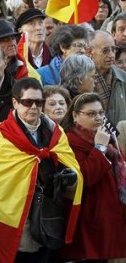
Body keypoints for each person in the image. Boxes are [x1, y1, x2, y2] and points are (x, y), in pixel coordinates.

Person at [0, 78, 83, 263]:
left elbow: (69, 163)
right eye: (27, 102)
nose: (34, 107)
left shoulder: (56, 132)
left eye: (39, 102)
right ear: (15, 102)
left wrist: (69, 176)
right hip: (11, 215)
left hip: (46, 214)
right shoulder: (0, 133)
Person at [59, 92, 126, 260]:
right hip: (87, 219)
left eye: (101, 113)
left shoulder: (106, 137)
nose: (98, 118)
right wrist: (99, 148)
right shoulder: (69, 141)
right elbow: (85, 178)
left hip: (107, 217)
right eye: (91, 114)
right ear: (75, 115)